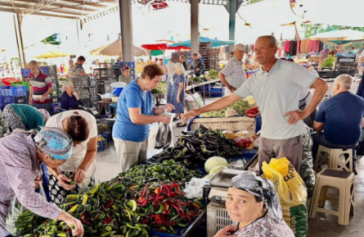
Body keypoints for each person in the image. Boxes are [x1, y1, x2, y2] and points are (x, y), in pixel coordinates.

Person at [183, 35, 328, 172]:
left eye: (262, 48)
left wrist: (305, 113)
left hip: (287, 137)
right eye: (255, 49)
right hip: (266, 137)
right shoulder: (256, 78)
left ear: (274, 50)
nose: (257, 52)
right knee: (264, 181)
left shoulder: (290, 69)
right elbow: (229, 99)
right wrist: (198, 111)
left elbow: (322, 86)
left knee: (286, 182)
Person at [0, 127, 84, 237]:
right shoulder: (17, 151)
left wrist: (34, 178)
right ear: (47, 157)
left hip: (0, 178)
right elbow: (27, 197)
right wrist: (65, 216)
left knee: (10, 220)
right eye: (59, 164)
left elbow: (21, 171)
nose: (58, 167)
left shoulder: (36, 144)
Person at [112, 64, 174, 172]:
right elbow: (136, 118)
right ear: (146, 77)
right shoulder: (133, 91)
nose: (156, 85)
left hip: (141, 137)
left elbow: (149, 110)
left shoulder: (147, 91)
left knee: (141, 172)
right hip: (128, 139)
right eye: (156, 81)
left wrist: (162, 109)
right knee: (129, 175)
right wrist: (159, 119)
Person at [46, 111, 97, 202]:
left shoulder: (90, 121)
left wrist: (83, 168)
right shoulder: (52, 125)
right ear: (64, 133)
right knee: (62, 206)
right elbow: (47, 158)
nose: (75, 146)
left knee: (88, 203)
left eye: (80, 143)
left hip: (82, 164)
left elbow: (92, 150)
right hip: (59, 169)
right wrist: (58, 175)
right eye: (72, 143)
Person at [312, 74, 364, 159]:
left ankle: (318, 162)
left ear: (337, 86)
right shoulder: (361, 101)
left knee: (312, 136)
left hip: (331, 141)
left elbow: (317, 127)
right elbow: (362, 124)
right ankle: (350, 162)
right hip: (354, 142)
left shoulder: (327, 102)